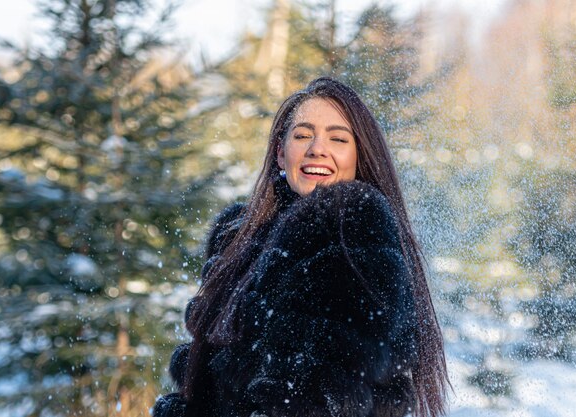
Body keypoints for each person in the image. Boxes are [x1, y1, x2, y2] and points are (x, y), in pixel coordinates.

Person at [153, 77, 450, 417]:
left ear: (359, 155)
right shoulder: (243, 236)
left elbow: (322, 394)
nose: (317, 149)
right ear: (281, 152)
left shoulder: (358, 227)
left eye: (338, 138)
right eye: (302, 135)